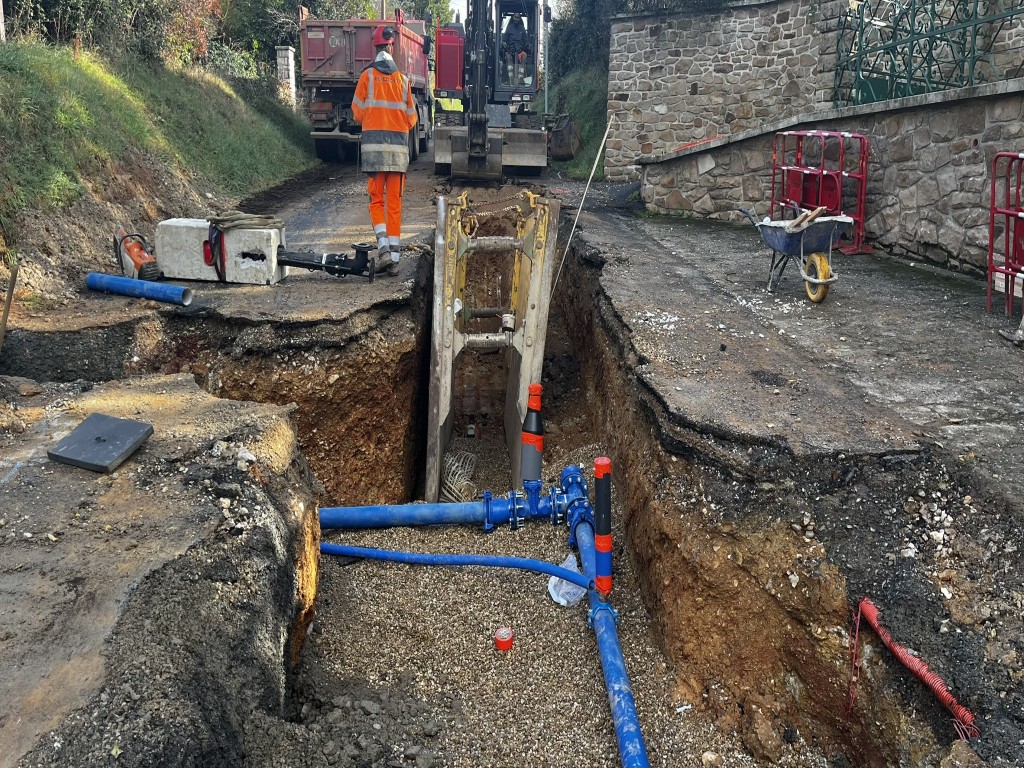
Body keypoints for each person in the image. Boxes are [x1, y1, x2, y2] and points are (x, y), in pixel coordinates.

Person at [352, 25, 418, 276]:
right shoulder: (403, 81)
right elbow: (411, 119)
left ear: (376, 48)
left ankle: (383, 250)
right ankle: (395, 261)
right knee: (395, 205)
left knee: (376, 201)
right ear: (391, 47)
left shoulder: (366, 77)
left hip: (373, 153)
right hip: (398, 155)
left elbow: (357, 113)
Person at [502, 12, 532, 85]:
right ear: (513, 17)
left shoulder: (522, 29)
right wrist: (504, 43)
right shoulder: (509, 28)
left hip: (520, 51)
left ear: (519, 19)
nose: (516, 19)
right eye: (515, 17)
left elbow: (525, 41)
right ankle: (510, 78)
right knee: (508, 57)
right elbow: (504, 40)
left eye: (518, 17)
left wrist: (528, 46)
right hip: (510, 50)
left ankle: (520, 78)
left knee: (524, 56)